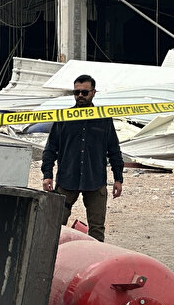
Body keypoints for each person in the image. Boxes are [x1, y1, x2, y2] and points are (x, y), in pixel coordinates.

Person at [41, 74, 124, 242]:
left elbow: (114, 150)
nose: (80, 95)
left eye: (84, 92)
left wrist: (118, 178)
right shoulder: (64, 118)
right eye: (76, 92)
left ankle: (96, 258)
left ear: (93, 92)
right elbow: (50, 149)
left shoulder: (103, 119)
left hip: (95, 180)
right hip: (67, 179)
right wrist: (47, 175)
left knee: (97, 229)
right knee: (55, 226)